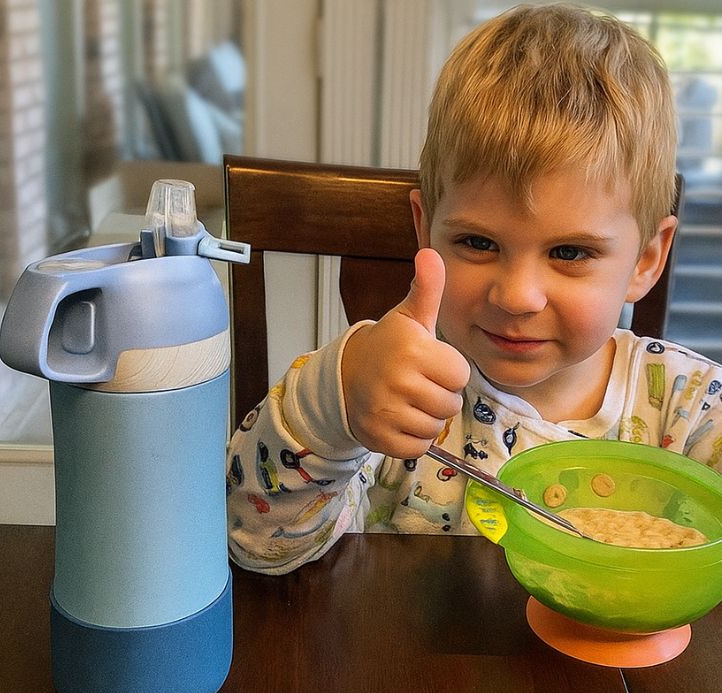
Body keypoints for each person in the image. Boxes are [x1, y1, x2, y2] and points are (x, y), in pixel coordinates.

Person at [226, 3, 722, 574]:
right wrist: (331, 406)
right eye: (478, 244)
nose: (516, 296)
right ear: (425, 228)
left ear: (646, 258)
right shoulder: (389, 395)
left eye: (569, 253)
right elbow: (259, 544)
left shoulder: (690, 408)